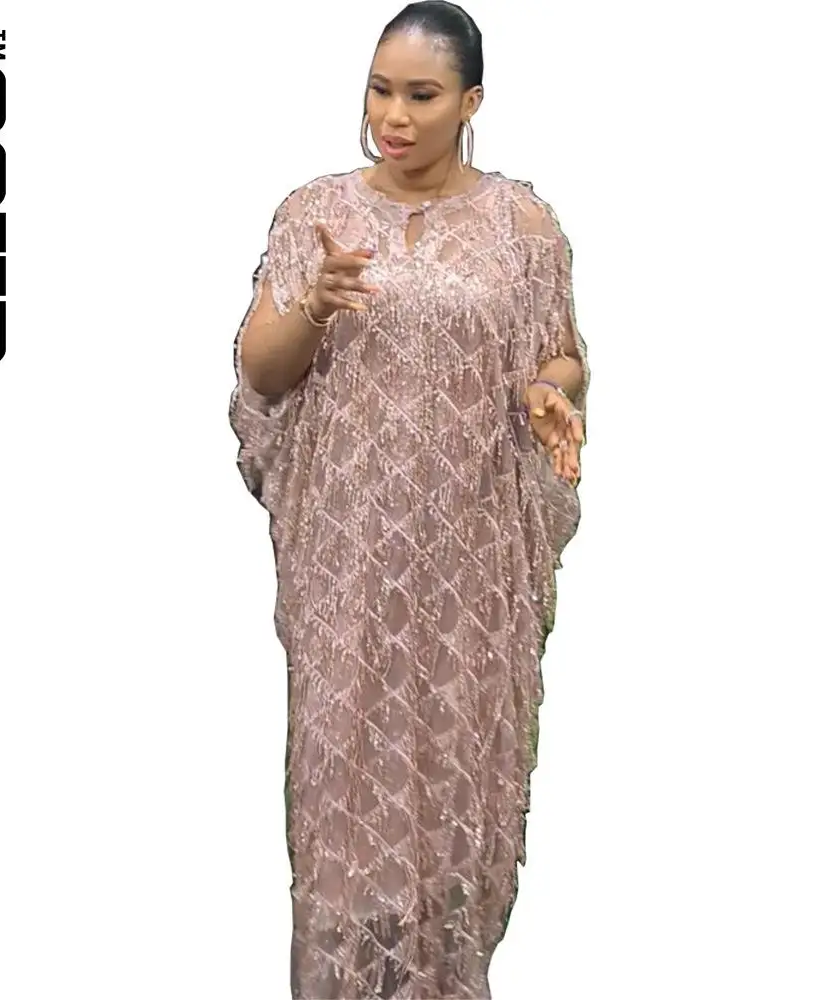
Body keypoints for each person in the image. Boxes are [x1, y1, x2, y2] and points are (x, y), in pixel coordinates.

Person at [229, 3, 590, 996]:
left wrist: (549, 389)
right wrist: (311, 304)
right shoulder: (316, 213)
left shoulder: (522, 226)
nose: (393, 115)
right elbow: (262, 373)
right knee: (345, 781)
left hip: (468, 559)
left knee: (455, 775)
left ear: (470, 102)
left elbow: (560, 349)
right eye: (379, 90)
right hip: (348, 559)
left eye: (421, 95)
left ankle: (445, 975)